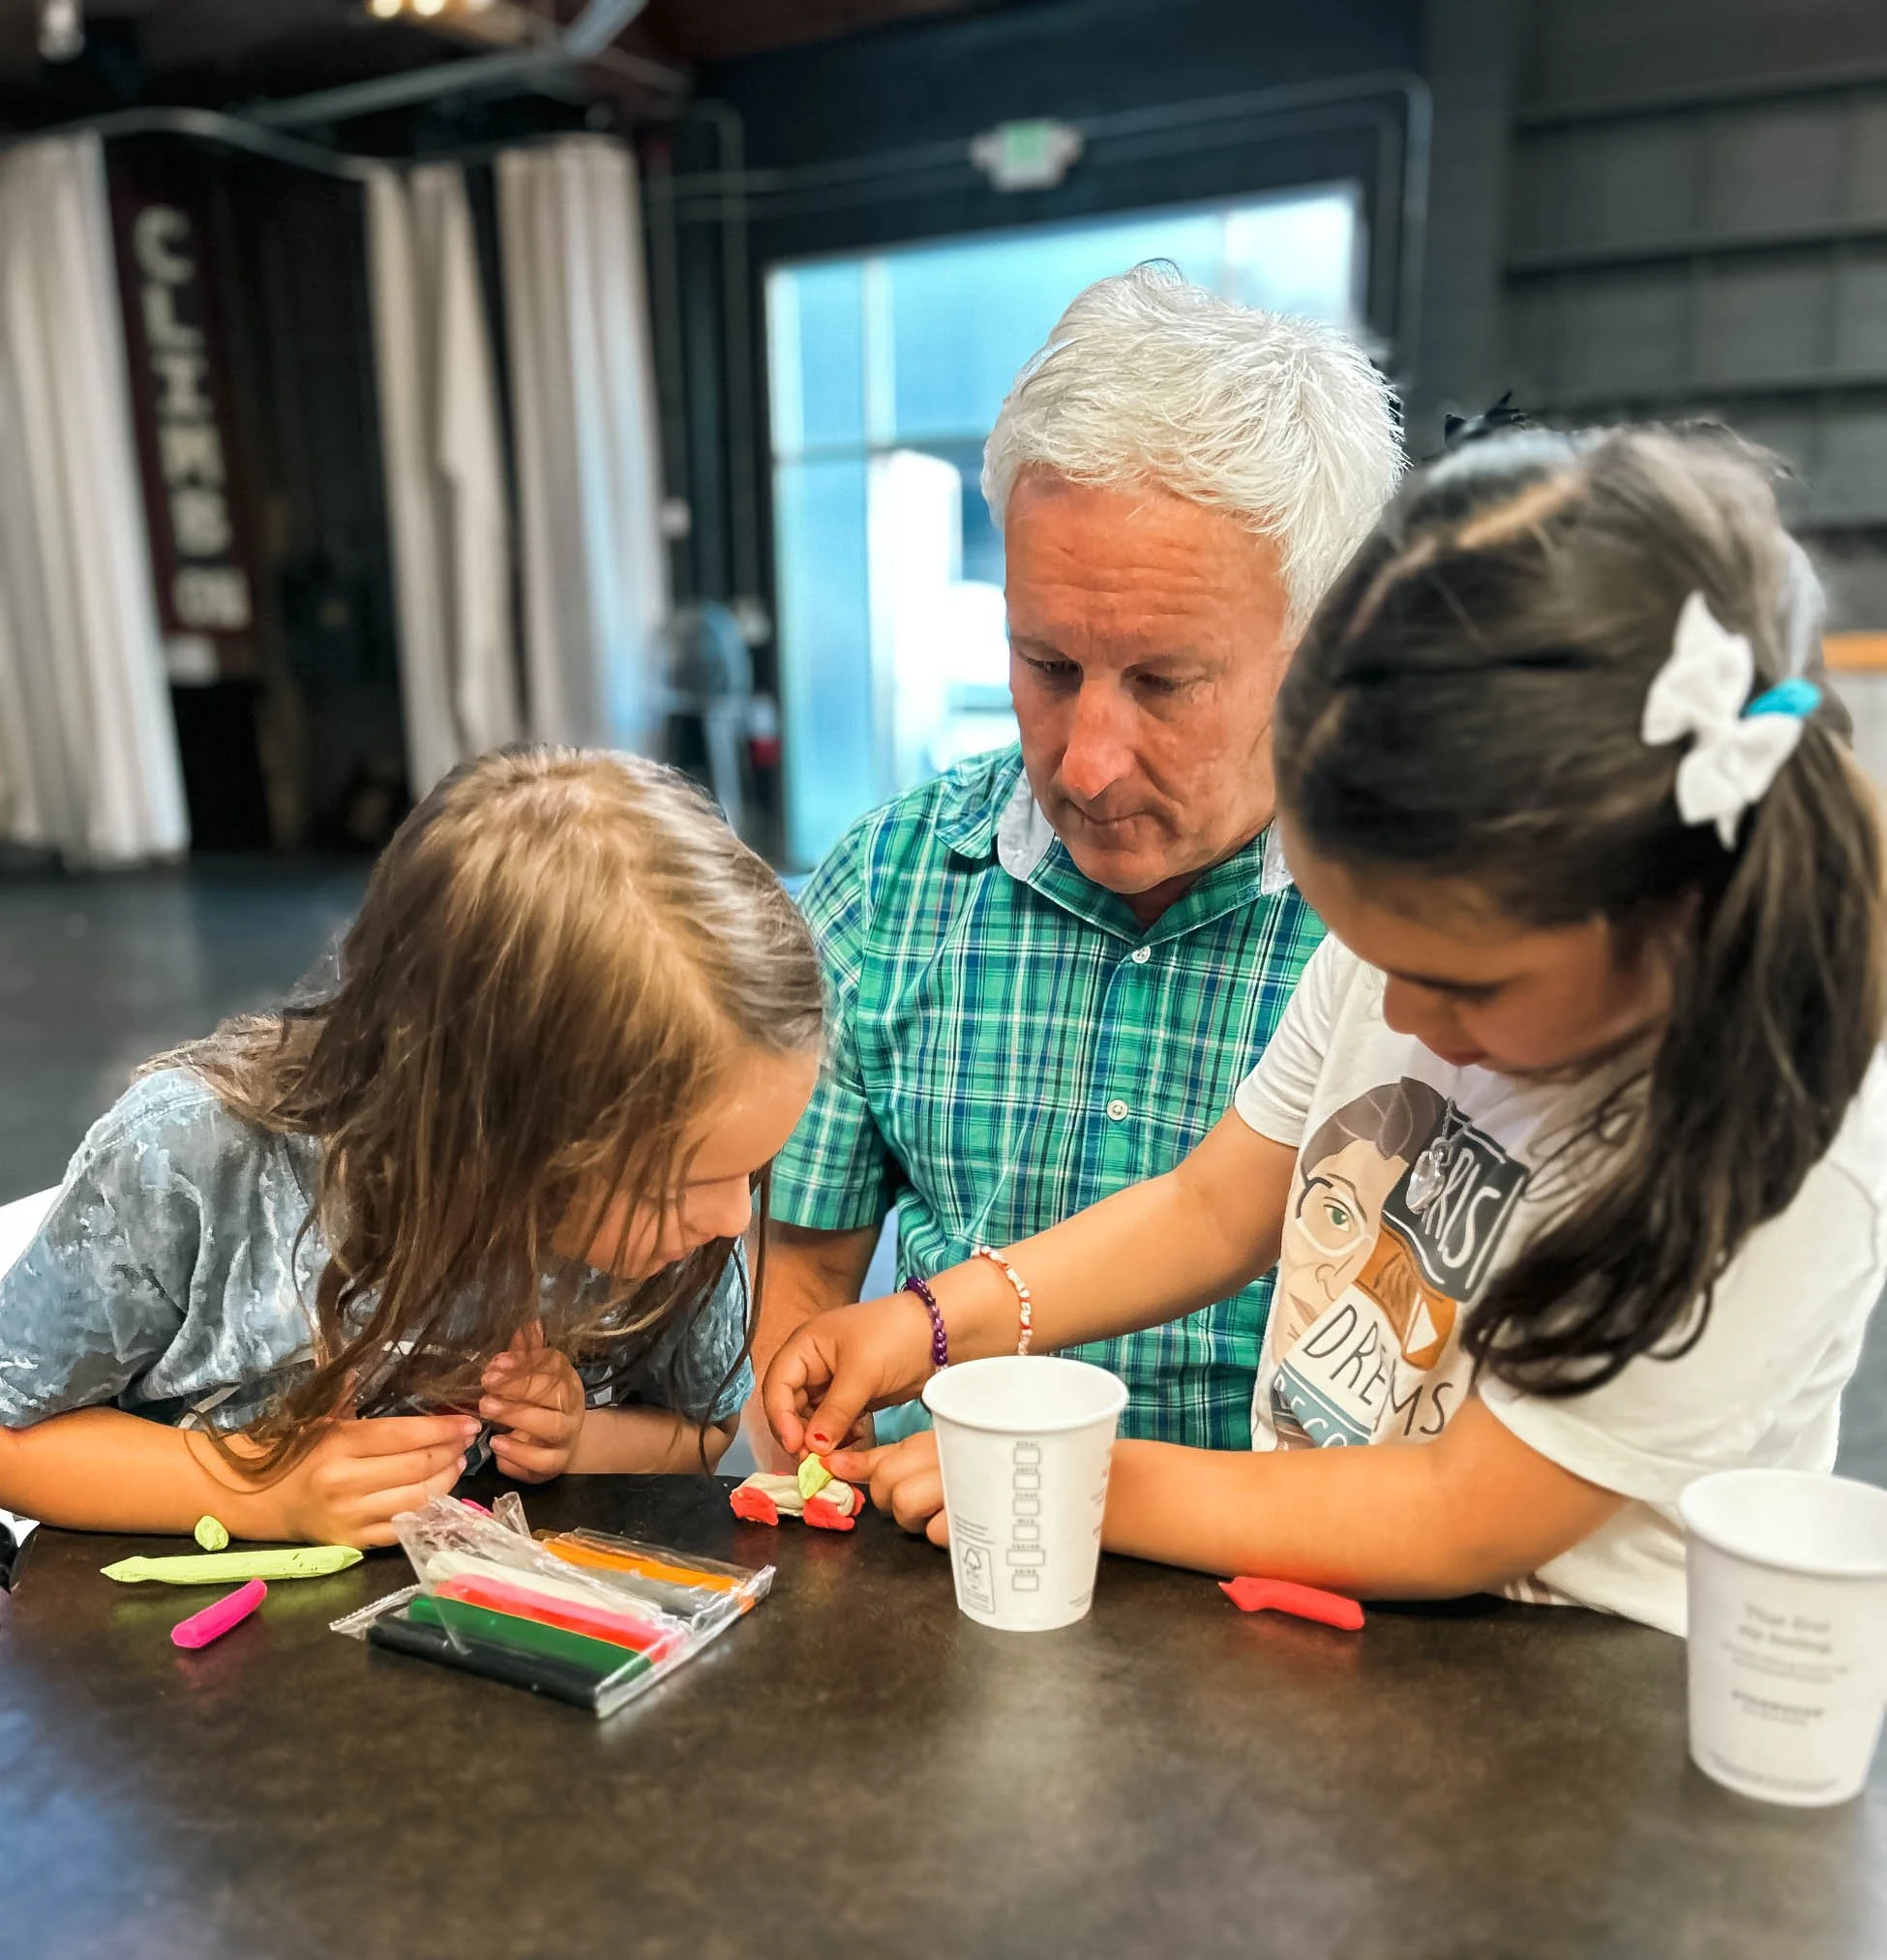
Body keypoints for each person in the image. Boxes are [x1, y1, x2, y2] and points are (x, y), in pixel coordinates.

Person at [764, 423, 1887, 1636]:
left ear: (1672, 912)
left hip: (1572, 1717)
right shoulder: (1415, 944)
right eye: (1380, 958)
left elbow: (1458, 1514)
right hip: (1341, 1665)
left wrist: (1075, 1475)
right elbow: (1212, 1208)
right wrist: (932, 1321)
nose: (1400, 1014)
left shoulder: (1782, 1158)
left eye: (1463, 986)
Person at [753, 264, 1403, 1462]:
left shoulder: (1413, 944)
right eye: (1046, 666)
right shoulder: (889, 891)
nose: (1088, 765)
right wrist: (814, 1438)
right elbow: (803, 1281)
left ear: (1323, 644)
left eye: (1164, 682)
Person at [0, 746, 823, 1546]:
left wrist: (581, 1440)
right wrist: (261, 1488)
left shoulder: (693, 1216)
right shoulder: (195, 1163)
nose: (730, 1218)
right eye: (680, 1184)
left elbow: (705, 1431)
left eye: (752, 1169)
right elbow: (11, 1439)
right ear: (495, 1124)